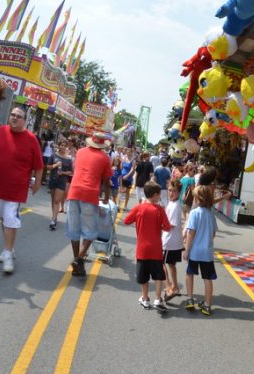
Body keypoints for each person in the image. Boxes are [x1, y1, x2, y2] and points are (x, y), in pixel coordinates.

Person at [0, 107, 44, 274]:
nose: (14, 118)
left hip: (16, 189)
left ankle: (7, 254)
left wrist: (37, 183)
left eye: (18, 116)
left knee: (10, 219)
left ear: (24, 120)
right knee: (4, 219)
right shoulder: (0, 132)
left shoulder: (31, 139)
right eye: (12, 115)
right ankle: (10, 248)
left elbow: (39, 166)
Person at [66, 131, 113, 277]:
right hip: (90, 194)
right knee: (91, 232)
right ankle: (79, 258)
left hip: (74, 192)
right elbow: (106, 181)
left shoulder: (80, 152)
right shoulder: (105, 158)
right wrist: (106, 197)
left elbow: (77, 169)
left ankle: (77, 262)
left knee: (74, 229)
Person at [123, 181, 171, 311]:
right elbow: (167, 227)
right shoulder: (160, 210)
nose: (160, 197)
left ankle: (145, 298)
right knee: (158, 276)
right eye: (159, 194)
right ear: (155, 195)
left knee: (143, 275)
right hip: (156, 249)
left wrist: (138, 222)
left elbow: (126, 221)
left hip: (142, 249)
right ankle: (157, 298)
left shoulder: (139, 208)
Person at [185, 178, 218, 316]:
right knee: (207, 278)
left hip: (195, 251)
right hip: (207, 252)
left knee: (189, 274)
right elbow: (214, 233)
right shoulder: (211, 214)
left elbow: (191, 233)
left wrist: (186, 250)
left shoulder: (194, 213)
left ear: (197, 199)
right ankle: (207, 305)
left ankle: (190, 298)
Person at [162, 179, 184, 301]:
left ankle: (169, 288)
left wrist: (157, 225)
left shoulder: (175, 206)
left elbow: (171, 225)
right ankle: (175, 287)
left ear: (178, 193)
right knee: (171, 264)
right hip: (174, 241)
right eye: (170, 190)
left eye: (174, 191)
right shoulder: (171, 203)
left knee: (161, 263)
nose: (171, 193)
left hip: (169, 241)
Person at [47, 140, 74, 230]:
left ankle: (53, 220)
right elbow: (48, 167)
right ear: (59, 146)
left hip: (62, 182)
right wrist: (55, 165)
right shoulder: (53, 155)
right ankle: (54, 216)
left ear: (66, 147)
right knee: (53, 199)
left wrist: (63, 172)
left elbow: (71, 172)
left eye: (64, 145)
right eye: (61, 145)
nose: (62, 147)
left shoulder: (68, 159)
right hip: (53, 180)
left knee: (57, 200)